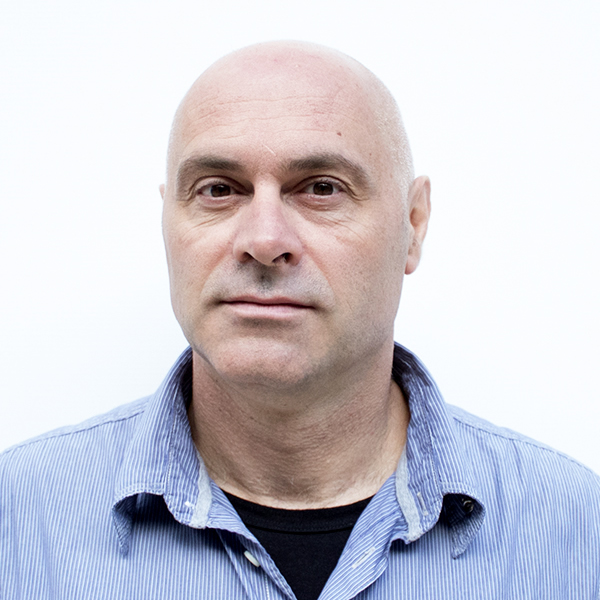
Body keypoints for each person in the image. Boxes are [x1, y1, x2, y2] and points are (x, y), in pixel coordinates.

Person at [1, 41, 599, 600]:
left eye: (321, 188)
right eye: (218, 189)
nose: (264, 241)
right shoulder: (20, 519)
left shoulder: (575, 531)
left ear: (413, 226)